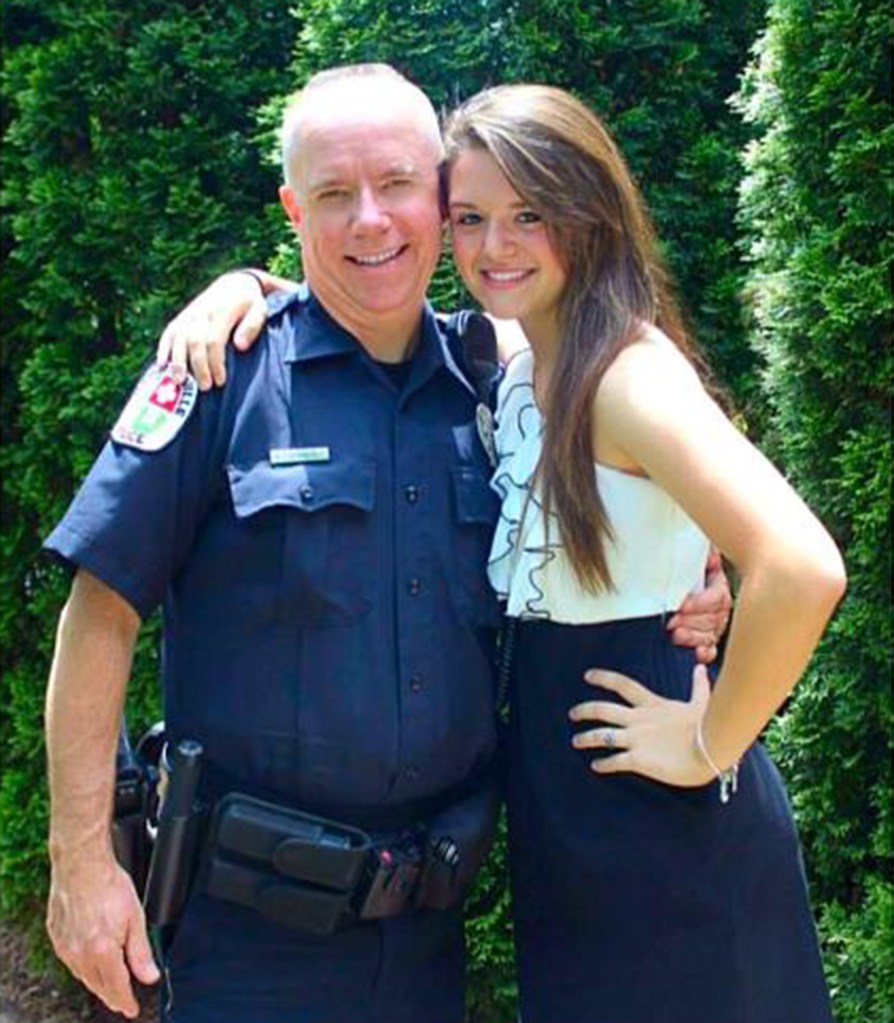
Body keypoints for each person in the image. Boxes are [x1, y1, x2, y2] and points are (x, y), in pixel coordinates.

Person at [42, 66, 729, 1023]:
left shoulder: (498, 384)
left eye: (398, 184)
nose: (371, 220)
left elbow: (649, 481)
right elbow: (99, 613)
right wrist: (79, 861)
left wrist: (700, 566)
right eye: (333, 194)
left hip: (426, 937)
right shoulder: (219, 375)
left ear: (442, 198)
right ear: (292, 207)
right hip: (249, 946)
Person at [176, 80, 846, 1023]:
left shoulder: (623, 374)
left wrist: (708, 742)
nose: (496, 247)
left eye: (531, 214)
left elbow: (803, 566)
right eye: (471, 217)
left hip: (658, 811)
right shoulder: (522, 351)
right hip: (571, 806)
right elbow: (361, 288)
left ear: (591, 213)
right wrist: (247, 286)